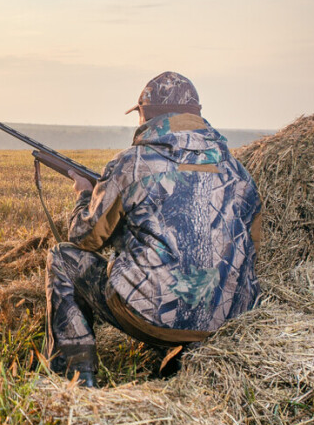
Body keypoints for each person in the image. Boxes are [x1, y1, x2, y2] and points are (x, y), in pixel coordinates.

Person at [44, 71, 262, 388]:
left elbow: (84, 237)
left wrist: (84, 195)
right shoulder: (238, 171)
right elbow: (252, 249)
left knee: (62, 259)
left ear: (146, 115)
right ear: (195, 116)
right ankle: (187, 357)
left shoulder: (132, 162)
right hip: (227, 321)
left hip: (155, 317)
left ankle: (75, 384)